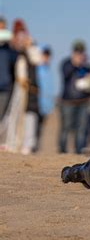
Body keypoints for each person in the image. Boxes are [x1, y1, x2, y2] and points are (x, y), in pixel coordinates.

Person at [8, 19, 42, 154]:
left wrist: (30, 46)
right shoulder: (11, 49)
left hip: (30, 88)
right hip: (15, 87)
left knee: (30, 115)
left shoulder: (31, 48)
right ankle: (13, 141)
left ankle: (28, 144)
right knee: (14, 114)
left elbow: (37, 60)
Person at [59, 40, 90, 154]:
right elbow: (65, 74)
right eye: (77, 52)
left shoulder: (86, 67)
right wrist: (74, 64)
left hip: (83, 102)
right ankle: (63, 150)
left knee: (81, 128)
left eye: (81, 52)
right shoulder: (66, 64)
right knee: (66, 127)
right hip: (68, 102)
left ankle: (78, 150)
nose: (80, 55)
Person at [35, 46, 56, 151]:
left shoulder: (48, 69)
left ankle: (36, 148)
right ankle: (32, 147)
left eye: (48, 55)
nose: (46, 57)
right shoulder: (37, 68)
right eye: (45, 55)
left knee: (40, 129)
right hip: (36, 103)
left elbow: (49, 89)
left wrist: (50, 105)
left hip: (46, 105)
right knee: (34, 127)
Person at [0, 17, 15, 119]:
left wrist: (12, 44)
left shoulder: (8, 49)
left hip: (5, 87)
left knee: (2, 118)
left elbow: (14, 60)